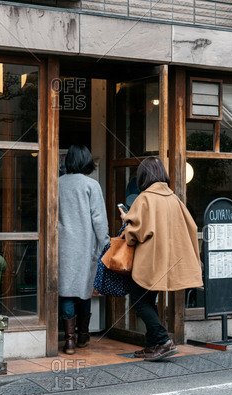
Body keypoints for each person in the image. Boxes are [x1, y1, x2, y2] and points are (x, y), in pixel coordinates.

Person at [120, 157, 203, 361]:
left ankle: (163, 340)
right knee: (149, 300)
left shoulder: (144, 198)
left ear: (144, 175)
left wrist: (126, 220)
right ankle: (151, 346)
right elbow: (191, 226)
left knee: (139, 300)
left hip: (148, 261)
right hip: (167, 261)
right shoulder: (174, 198)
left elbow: (134, 234)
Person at [58, 144, 109, 355]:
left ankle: (68, 341)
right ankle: (82, 337)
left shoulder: (57, 184)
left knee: (66, 292)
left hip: (62, 247)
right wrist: (105, 243)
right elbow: (99, 219)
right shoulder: (91, 185)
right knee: (84, 292)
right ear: (87, 161)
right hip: (86, 247)